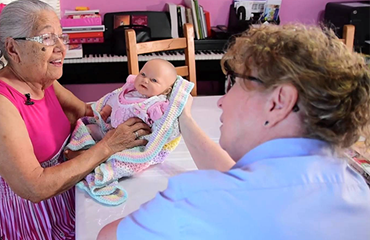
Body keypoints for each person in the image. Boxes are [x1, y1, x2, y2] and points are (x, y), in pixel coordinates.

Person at [97, 23, 370, 240]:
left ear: (279, 102)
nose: (221, 100)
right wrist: (183, 118)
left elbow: (106, 236)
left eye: (235, 82)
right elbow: (245, 180)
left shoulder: (196, 201)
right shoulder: (356, 185)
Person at [0, 1, 150, 239]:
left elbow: (87, 112)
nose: (61, 48)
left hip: (64, 198)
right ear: (13, 49)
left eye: (60, 37)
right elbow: (34, 188)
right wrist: (109, 146)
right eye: (46, 38)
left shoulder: (43, 79)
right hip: (20, 220)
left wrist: (131, 105)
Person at [65, 58, 177, 157]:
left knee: (123, 154)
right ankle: (77, 148)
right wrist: (105, 111)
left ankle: (97, 154)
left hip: (131, 140)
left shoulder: (155, 104)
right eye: (143, 74)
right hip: (109, 129)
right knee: (88, 128)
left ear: (166, 91)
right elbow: (114, 100)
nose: (145, 80)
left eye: (154, 80)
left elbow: (161, 124)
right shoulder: (128, 91)